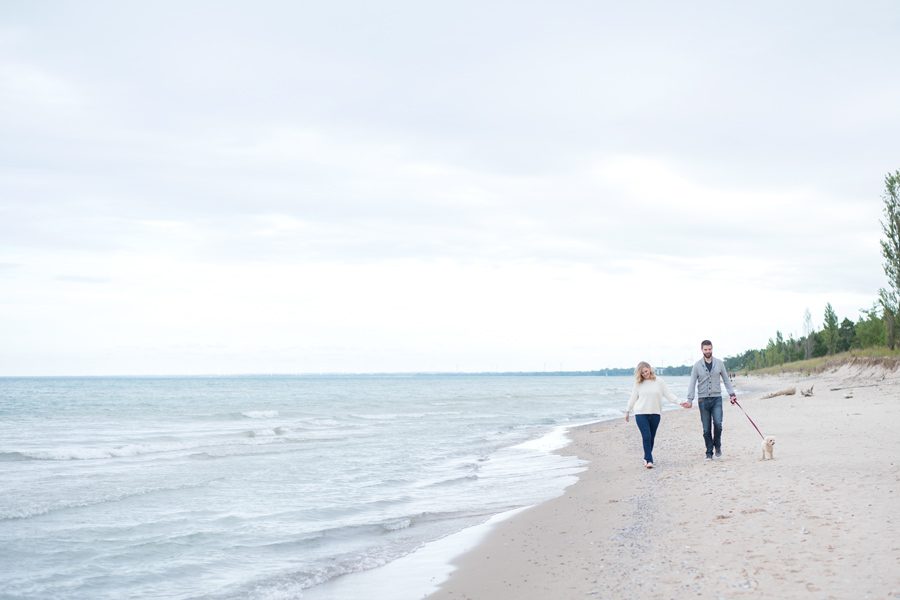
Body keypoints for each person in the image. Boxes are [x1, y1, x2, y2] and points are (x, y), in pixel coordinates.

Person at [682, 339, 737, 460]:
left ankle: (717, 445)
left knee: (718, 424)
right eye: (705, 349)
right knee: (706, 429)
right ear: (701, 350)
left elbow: (726, 380)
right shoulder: (696, 365)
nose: (708, 351)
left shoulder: (719, 363)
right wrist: (689, 399)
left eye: (709, 349)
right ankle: (709, 452)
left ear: (712, 349)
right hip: (703, 400)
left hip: (717, 398)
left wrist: (732, 394)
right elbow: (692, 383)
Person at [624, 361, 683, 469]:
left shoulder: (659, 381)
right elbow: (633, 398)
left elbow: (668, 394)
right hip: (641, 413)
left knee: (651, 437)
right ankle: (649, 460)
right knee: (646, 436)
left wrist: (679, 402)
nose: (645, 374)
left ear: (649, 369)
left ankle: (646, 457)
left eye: (646, 371)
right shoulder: (638, 383)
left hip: (655, 413)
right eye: (642, 373)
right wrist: (627, 410)